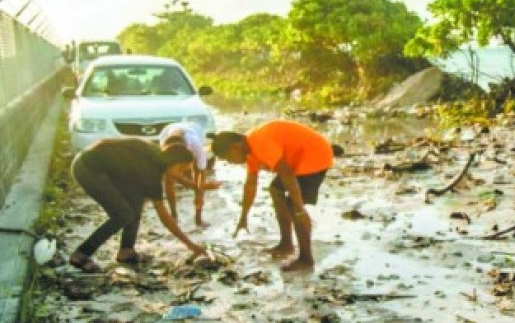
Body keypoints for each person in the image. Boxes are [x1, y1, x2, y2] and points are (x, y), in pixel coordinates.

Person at [68, 137, 207, 272]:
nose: (182, 174)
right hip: (88, 168)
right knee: (122, 215)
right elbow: (164, 217)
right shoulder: (150, 174)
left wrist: (193, 185)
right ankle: (81, 254)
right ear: (173, 162)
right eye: (182, 169)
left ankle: (126, 251)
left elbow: (170, 172)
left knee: (136, 200)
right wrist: (189, 244)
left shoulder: (156, 153)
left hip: (102, 165)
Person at [212, 120, 333, 272]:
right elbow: (250, 185)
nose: (231, 163)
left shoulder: (260, 144)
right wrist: (243, 217)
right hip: (297, 159)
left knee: (292, 204)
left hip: (315, 155)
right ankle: (286, 244)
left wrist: (300, 209)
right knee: (276, 190)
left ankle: (306, 259)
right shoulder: (250, 151)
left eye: (229, 158)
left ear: (236, 147)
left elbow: (287, 174)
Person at [159, 121, 218, 226]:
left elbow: (201, 173)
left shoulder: (197, 146)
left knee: (197, 174)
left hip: (194, 131)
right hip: (168, 132)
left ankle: (198, 218)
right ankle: (174, 216)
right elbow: (169, 175)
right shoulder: (164, 143)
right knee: (169, 180)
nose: (182, 171)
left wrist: (199, 194)